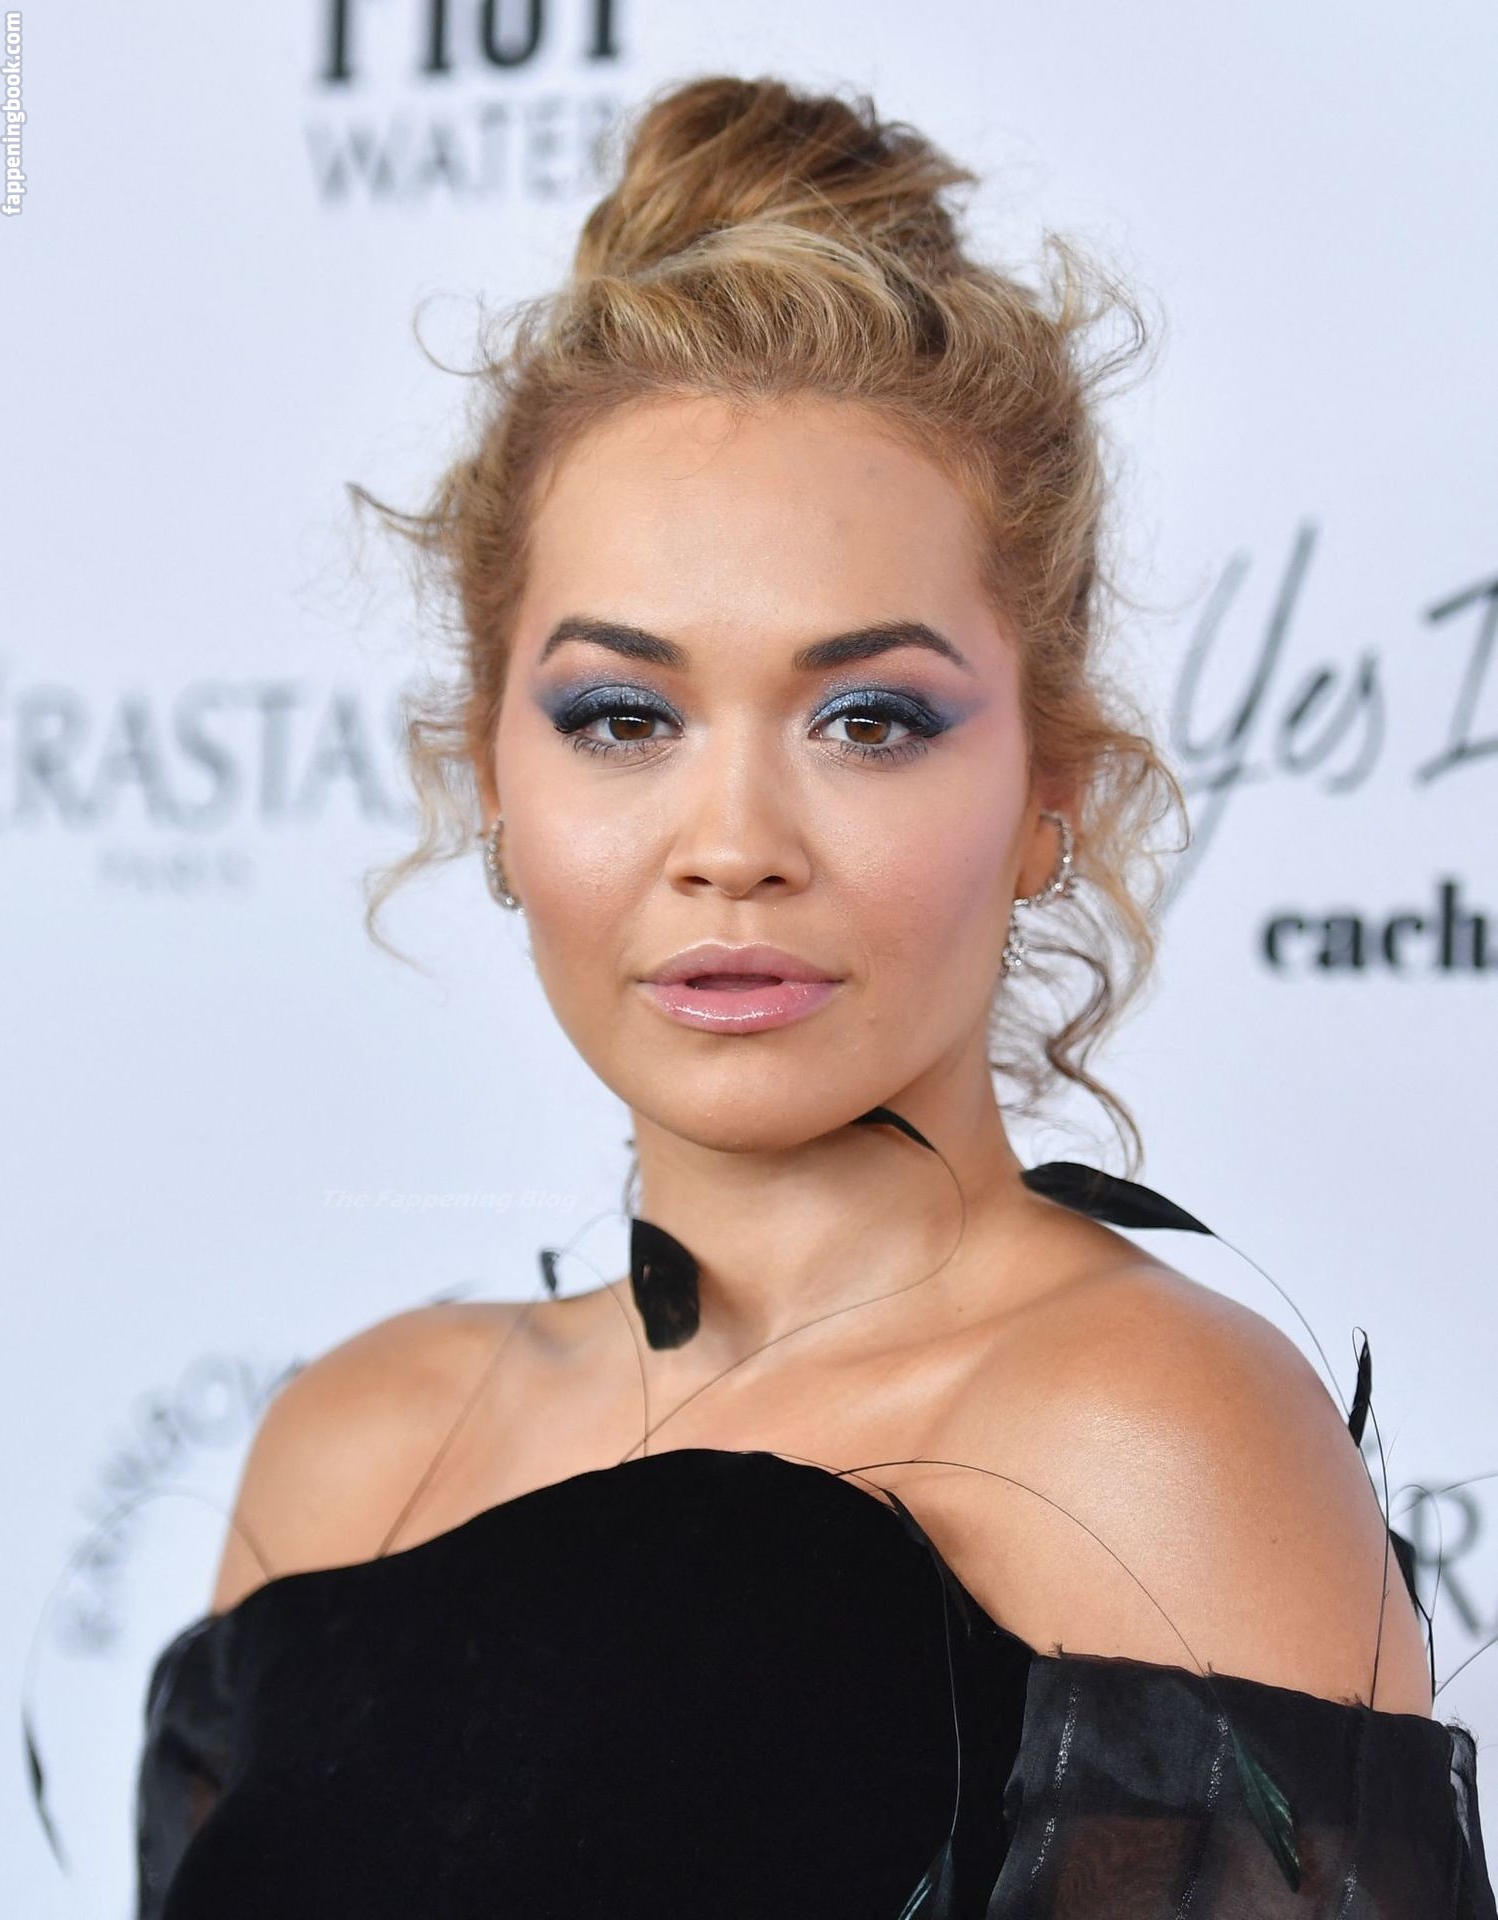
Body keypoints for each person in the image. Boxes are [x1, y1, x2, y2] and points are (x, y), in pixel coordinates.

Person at [123, 73, 1491, 1918]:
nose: (732, 846)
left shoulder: (1152, 1437)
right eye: (623, 716)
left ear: (1051, 793)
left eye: (868, 719)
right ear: (490, 782)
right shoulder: (347, 1454)